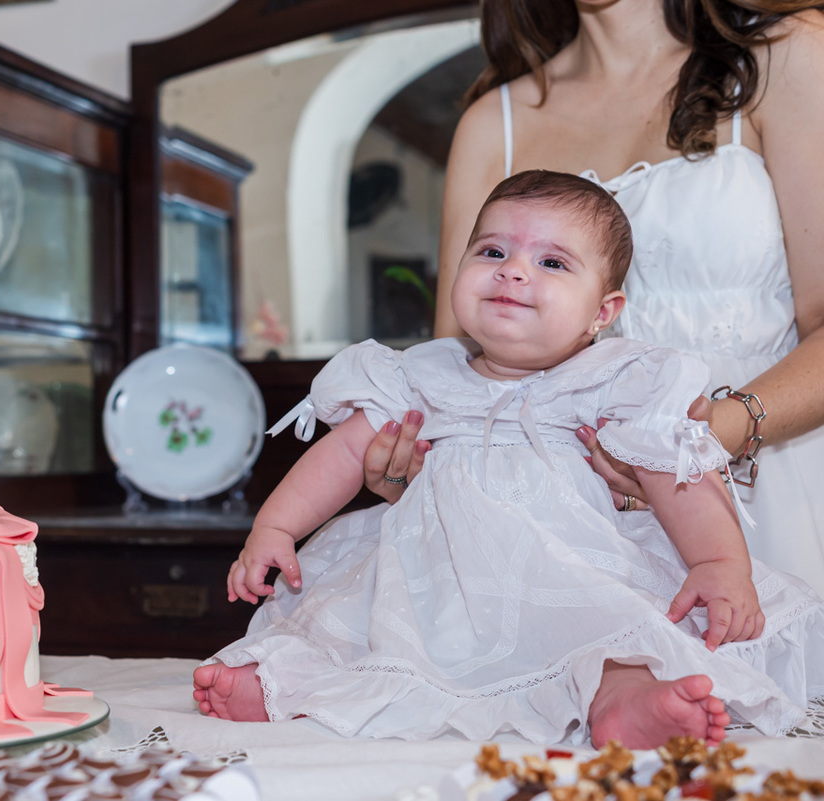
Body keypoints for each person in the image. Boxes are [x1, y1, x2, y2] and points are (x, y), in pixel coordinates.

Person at [192, 171, 824, 748]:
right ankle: (284, 684)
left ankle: (623, 704)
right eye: (493, 252)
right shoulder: (419, 376)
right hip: (432, 574)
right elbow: (342, 454)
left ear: (603, 313)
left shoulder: (614, 384)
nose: (513, 271)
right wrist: (275, 528)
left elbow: (676, 473)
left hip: (567, 564)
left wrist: (718, 563)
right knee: (347, 625)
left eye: (551, 262)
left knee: (612, 626)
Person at [363, 0, 824, 598]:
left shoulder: (785, 55)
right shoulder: (491, 121)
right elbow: (462, 359)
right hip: (555, 516)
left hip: (766, 485)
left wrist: (699, 441)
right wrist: (422, 459)